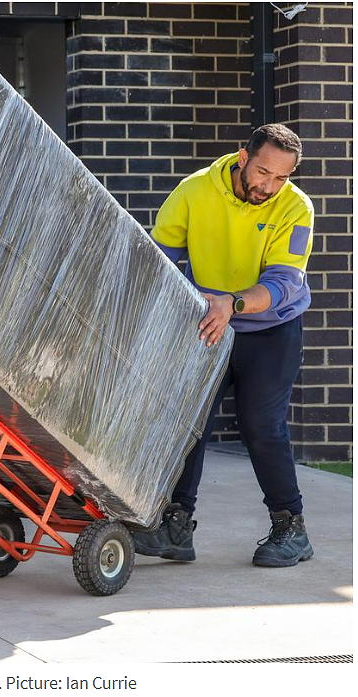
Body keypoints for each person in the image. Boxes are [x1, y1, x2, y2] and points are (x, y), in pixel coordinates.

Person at [135, 123, 314, 568]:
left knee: (261, 424)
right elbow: (161, 259)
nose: (269, 186)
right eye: (263, 172)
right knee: (188, 421)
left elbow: (284, 282)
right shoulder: (194, 190)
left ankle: (291, 527)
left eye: (281, 178)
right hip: (208, 323)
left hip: (270, 330)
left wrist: (230, 303)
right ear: (242, 158)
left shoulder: (295, 208)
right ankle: (176, 526)